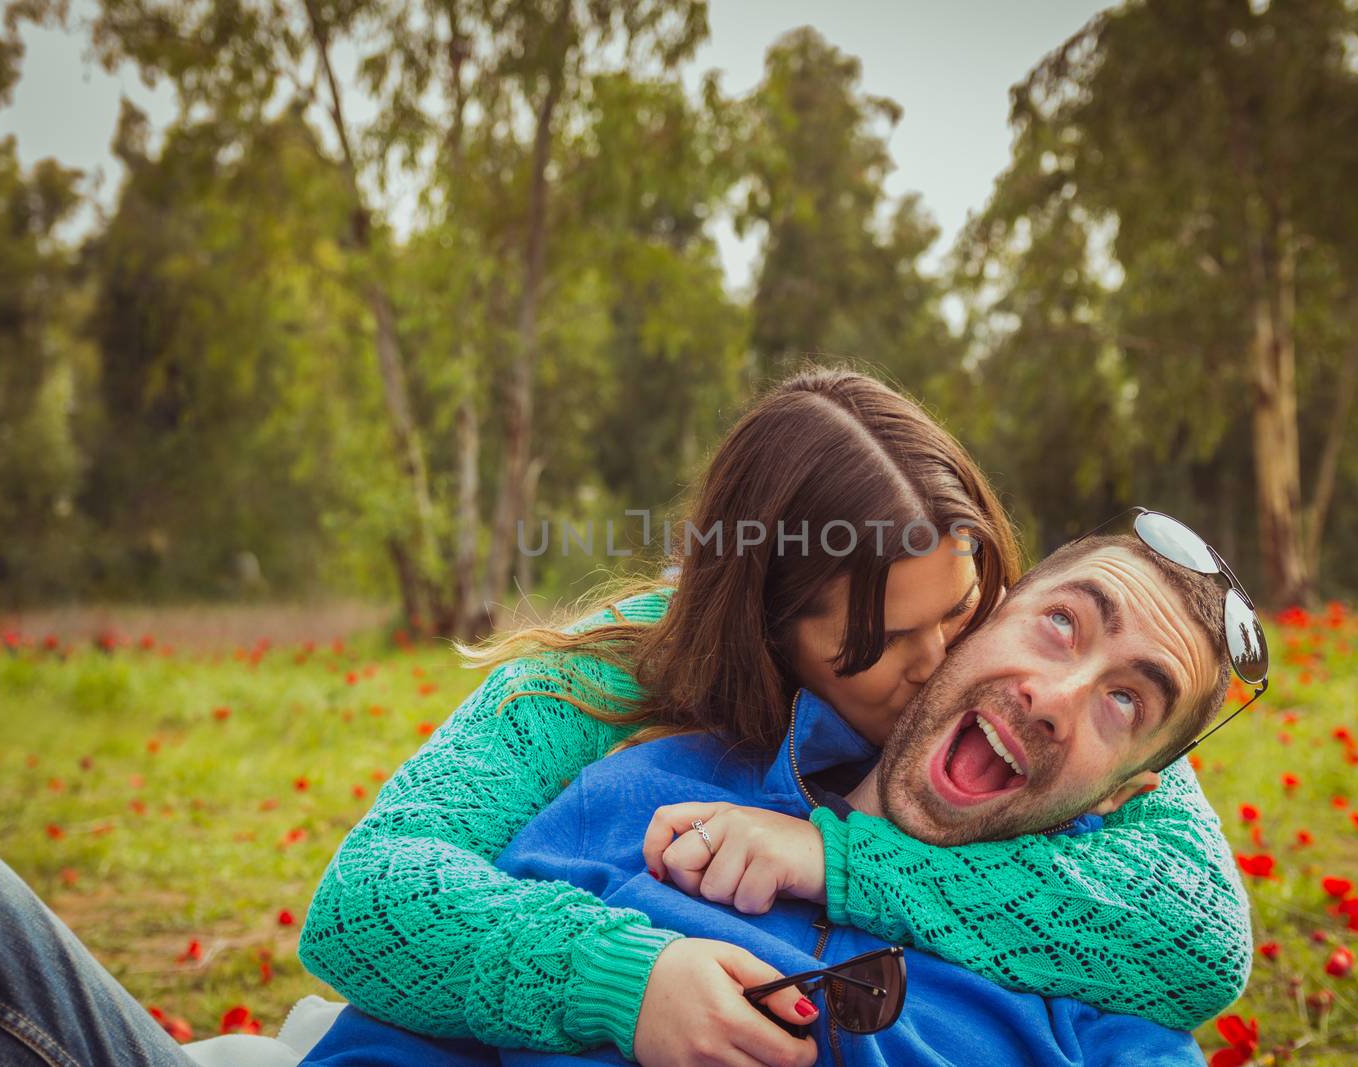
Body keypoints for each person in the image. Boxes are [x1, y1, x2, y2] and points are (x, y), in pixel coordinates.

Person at [298, 369, 1251, 1067]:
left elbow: (1200, 938)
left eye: (962, 610)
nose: (938, 668)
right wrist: (625, 980)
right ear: (770, 632)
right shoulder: (611, 696)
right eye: (881, 638)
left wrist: (837, 859)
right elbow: (367, 900)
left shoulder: (1059, 693)